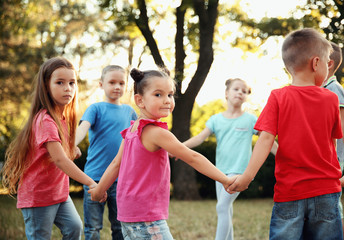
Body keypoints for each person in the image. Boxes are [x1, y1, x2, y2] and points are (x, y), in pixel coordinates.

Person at [88, 68, 233, 239]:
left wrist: (99, 191)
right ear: (140, 100)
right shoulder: (157, 133)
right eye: (158, 95)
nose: (167, 100)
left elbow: (115, 165)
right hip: (146, 216)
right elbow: (193, 158)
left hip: (128, 213)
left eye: (170, 95)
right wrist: (225, 179)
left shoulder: (131, 130)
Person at [228, 28, 344, 240]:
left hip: (290, 192)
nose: (328, 69)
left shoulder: (278, 96)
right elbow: (333, 143)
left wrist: (247, 177)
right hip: (326, 190)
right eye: (327, 62)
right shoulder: (331, 99)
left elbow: (265, 140)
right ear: (315, 63)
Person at [1, 57, 98, 239]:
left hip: (58, 193)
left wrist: (71, 150)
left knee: (74, 227)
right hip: (39, 196)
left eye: (72, 83)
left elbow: (58, 153)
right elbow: (59, 160)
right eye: (60, 82)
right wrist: (90, 182)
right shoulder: (45, 120)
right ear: (46, 86)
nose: (67, 88)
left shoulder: (62, 118)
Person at [182, 78, 278, 240]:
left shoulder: (251, 120)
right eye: (236, 89)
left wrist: (289, 158)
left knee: (222, 206)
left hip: (240, 172)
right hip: (219, 173)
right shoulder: (216, 120)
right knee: (226, 209)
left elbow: (269, 143)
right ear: (227, 93)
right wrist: (179, 148)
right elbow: (199, 138)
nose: (240, 92)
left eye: (244, 91)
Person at [75, 65, 137, 240]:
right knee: (93, 227)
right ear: (101, 84)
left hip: (121, 179)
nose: (117, 86)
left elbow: (141, 136)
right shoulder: (95, 109)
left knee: (120, 226)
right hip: (94, 179)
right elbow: (83, 128)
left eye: (121, 83)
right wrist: (70, 145)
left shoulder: (129, 112)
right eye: (112, 82)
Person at [323, 41, 344, 236]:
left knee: (333, 206)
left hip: (335, 160)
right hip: (330, 159)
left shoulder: (334, 90)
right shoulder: (325, 90)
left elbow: (341, 128)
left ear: (328, 63)